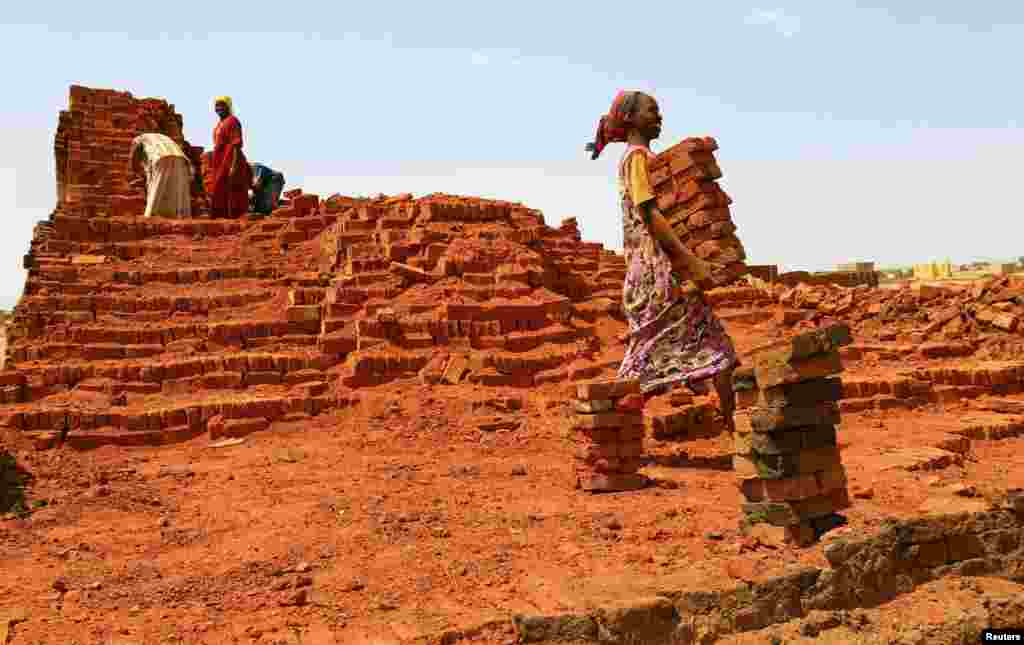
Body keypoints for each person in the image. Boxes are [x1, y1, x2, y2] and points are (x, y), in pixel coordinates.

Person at [586, 91, 738, 419]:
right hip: (658, 274)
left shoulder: (644, 159)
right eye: (652, 112)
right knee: (671, 357)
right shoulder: (637, 158)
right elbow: (650, 214)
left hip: (658, 271)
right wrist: (689, 261)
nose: (660, 118)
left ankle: (737, 430)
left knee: (716, 351)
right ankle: (605, 420)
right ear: (630, 119)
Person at [128, 133, 193, 218]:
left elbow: (133, 158)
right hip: (181, 159)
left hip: (160, 156)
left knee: (156, 187)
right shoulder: (160, 137)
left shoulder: (138, 139)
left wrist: (135, 173)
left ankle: (149, 216)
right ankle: (179, 217)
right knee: (176, 191)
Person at [209, 96, 253, 218]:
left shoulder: (232, 121)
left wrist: (233, 165)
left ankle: (234, 218)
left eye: (222, 105)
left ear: (228, 107)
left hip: (231, 160)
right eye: (216, 106)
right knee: (219, 188)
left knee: (232, 190)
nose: (219, 108)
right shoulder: (220, 124)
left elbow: (236, 144)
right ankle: (221, 218)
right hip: (220, 161)